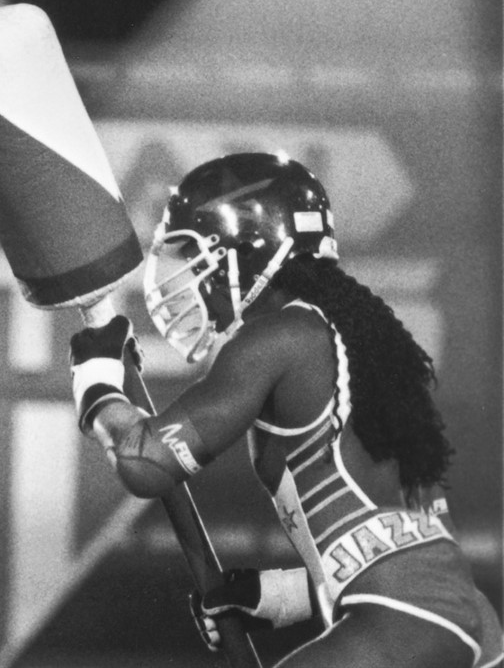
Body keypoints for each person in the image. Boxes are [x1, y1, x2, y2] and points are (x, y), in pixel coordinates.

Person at [68, 153, 503, 668]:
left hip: (401, 620)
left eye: (192, 253)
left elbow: (144, 463)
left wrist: (96, 377)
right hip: (468, 627)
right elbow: (397, 534)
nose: (180, 274)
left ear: (246, 250)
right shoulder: (352, 339)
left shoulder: (276, 337)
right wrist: (280, 596)